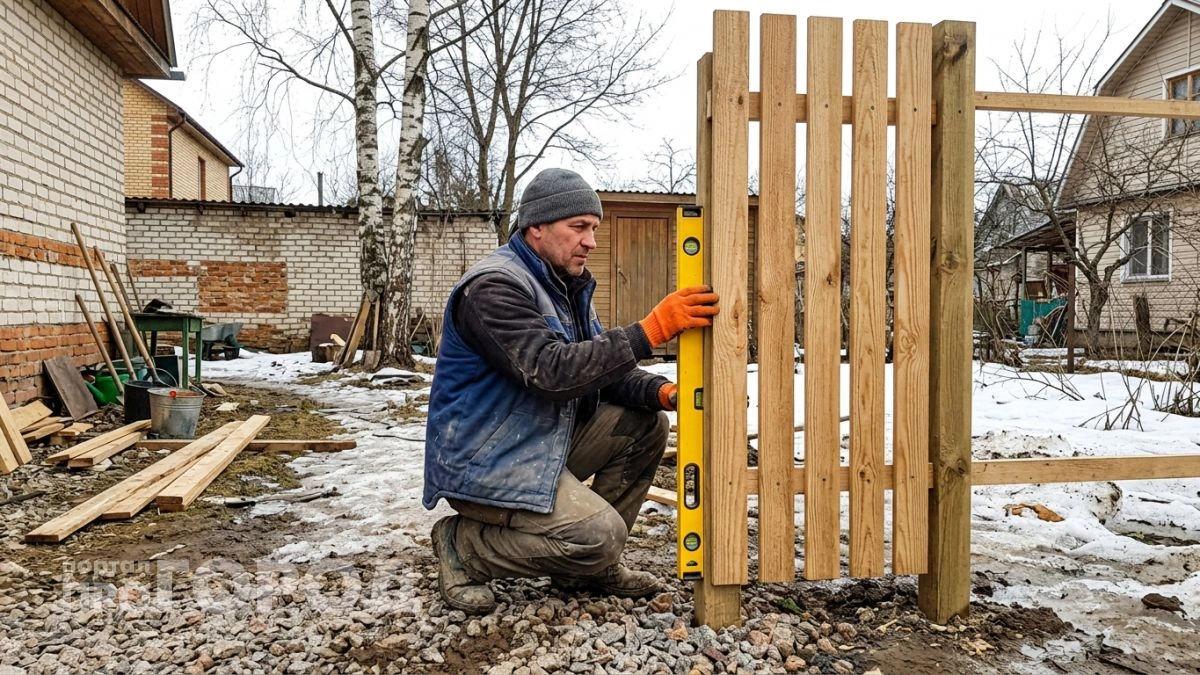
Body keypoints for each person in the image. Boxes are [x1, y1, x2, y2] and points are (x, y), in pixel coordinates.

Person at [422, 167, 720, 614]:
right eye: (578, 227)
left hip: (534, 442)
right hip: (484, 460)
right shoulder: (494, 287)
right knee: (598, 535)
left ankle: (587, 567)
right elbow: (551, 372)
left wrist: (665, 393)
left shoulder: (564, 286)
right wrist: (652, 330)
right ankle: (463, 546)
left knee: (646, 424)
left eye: (594, 228)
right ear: (536, 226)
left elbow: (596, 371)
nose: (591, 242)